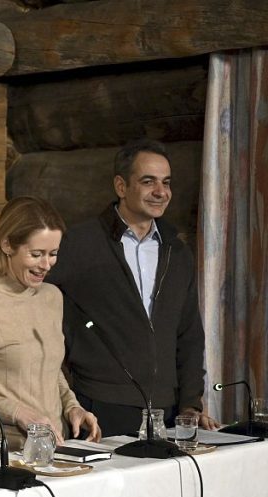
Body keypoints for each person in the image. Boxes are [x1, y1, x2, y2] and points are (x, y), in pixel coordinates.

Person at [46, 138, 219, 436]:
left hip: (169, 410)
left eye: (166, 182)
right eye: (148, 181)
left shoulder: (177, 252)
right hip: (101, 407)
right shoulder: (79, 243)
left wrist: (191, 404)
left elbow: (189, 333)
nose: (161, 192)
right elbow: (35, 302)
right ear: (121, 186)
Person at [0, 197, 101, 451]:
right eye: (36, 254)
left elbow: (51, 371)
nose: (46, 265)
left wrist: (72, 406)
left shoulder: (52, 296)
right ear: (7, 245)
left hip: (56, 451)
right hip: (3, 455)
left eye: (53, 254)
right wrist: (16, 412)